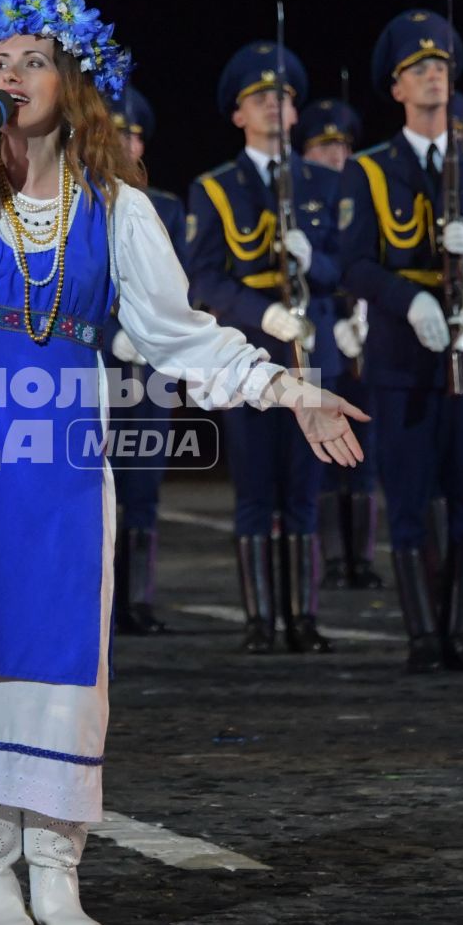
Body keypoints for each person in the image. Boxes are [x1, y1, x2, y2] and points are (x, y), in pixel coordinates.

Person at [0, 0, 366, 925]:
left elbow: (180, 337)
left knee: (59, 655)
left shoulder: (118, 208)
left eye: (31, 62)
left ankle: (56, 871)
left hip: (57, 449)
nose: (9, 77)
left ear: (73, 84)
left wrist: (289, 390)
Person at [336, 10, 463, 673]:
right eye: (418, 69)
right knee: (408, 495)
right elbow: (354, 264)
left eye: (440, 67)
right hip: (402, 358)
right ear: (397, 88)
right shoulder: (371, 171)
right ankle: (422, 638)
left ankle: (461, 632)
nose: (433, 76)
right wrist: (410, 301)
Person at [187, 40, 344, 655]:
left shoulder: (325, 183)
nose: (274, 107)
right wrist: (263, 313)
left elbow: (346, 264)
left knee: (305, 486)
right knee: (256, 487)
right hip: (249, 350)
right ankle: (260, 619)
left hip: (310, 349)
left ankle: (302, 616)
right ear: (237, 114)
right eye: (260, 99)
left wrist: (319, 262)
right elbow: (203, 277)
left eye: (282, 98)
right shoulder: (218, 188)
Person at [102, 85, 187, 636]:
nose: (125, 143)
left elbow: (175, 290)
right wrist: (113, 333)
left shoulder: (169, 208)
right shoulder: (84, 200)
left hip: (151, 366)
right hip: (104, 365)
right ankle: (105, 600)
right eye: (116, 133)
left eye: (132, 135)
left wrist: (152, 339)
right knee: (99, 482)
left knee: (144, 484)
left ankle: (140, 599)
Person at [297, 96, 383, 590]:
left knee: (365, 450)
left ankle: (363, 557)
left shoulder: (362, 193)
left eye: (344, 145)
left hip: (364, 331)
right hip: (320, 334)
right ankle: (331, 557)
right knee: (327, 451)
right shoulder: (304, 199)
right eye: (325, 145)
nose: (338, 155)